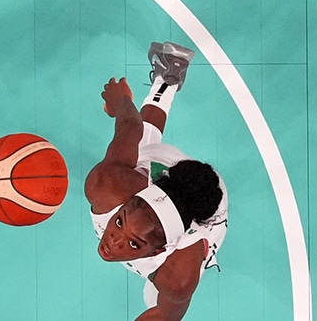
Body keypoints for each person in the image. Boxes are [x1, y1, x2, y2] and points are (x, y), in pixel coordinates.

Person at [85, 42, 228, 320]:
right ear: (131, 199)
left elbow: (165, 314)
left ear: (160, 250)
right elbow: (131, 126)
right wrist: (121, 101)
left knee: (154, 297)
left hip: (208, 212)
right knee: (142, 145)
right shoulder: (107, 186)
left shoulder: (178, 273)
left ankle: (169, 74)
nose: (113, 241)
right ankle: (169, 74)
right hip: (170, 168)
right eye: (119, 221)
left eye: (134, 244)